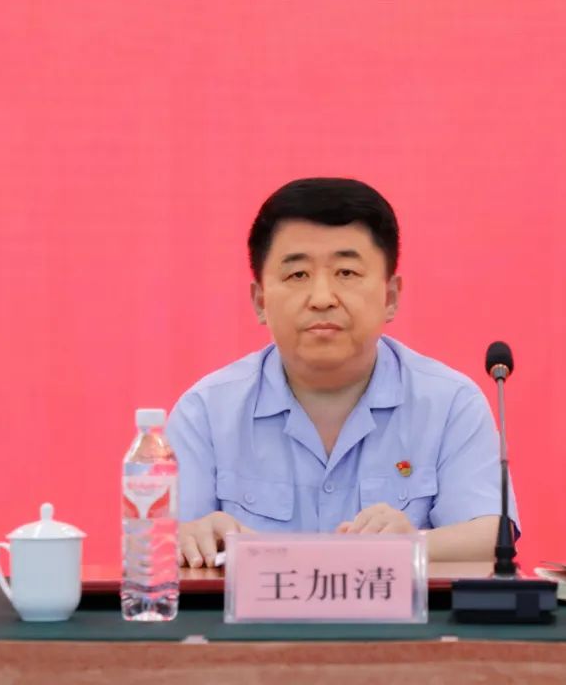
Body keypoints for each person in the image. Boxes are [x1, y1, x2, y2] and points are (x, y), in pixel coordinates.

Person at [168, 177, 518, 567]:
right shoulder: (205, 413)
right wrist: (191, 536)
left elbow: (491, 536)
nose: (322, 298)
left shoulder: (449, 403)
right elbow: (164, 549)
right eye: (297, 275)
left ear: (390, 296)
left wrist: (411, 545)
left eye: (347, 273)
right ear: (260, 300)